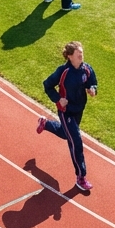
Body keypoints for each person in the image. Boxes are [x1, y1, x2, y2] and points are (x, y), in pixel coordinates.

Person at [37, 42, 98, 192]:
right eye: (79, 54)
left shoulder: (87, 69)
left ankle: (46, 124)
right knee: (76, 141)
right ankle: (81, 177)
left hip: (79, 109)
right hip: (66, 111)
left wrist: (93, 89)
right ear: (70, 57)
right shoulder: (63, 72)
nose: (81, 56)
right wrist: (58, 99)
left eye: (82, 53)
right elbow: (47, 85)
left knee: (66, 134)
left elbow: (93, 82)